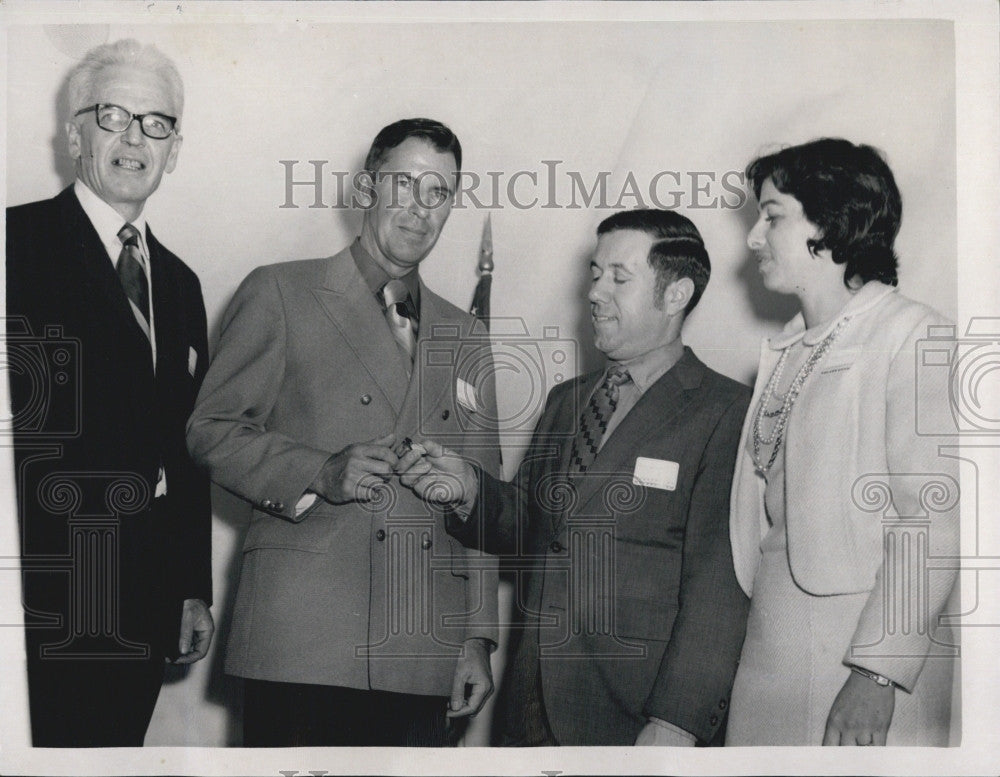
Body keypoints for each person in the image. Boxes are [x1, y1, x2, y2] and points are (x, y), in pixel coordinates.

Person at [186, 118, 501, 747]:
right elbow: (210, 430)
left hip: (422, 645)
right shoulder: (280, 291)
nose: (420, 208)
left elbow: (483, 498)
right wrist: (318, 471)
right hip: (307, 636)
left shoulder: (466, 335)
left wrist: (476, 637)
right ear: (366, 188)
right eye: (404, 184)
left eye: (439, 192)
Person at [397, 209, 751, 746]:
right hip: (529, 703)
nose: (594, 292)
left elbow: (718, 588)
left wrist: (676, 720)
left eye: (619, 277)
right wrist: (470, 489)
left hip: (636, 719)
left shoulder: (726, 412)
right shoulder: (568, 401)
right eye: (594, 273)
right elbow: (529, 529)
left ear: (676, 294)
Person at [6, 39, 214, 747]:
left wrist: (191, 586)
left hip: (144, 600)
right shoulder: (16, 244)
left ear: (175, 148)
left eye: (156, 123)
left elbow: (187, 449)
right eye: (113, 115)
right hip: (38, 602)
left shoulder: (182, 285)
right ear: (74, 135)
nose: (134, 138)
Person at [726, 138, 960, 746]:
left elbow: (934, 520)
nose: (754, 238)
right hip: (771, 657)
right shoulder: (788, 345)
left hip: (857, 672)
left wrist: (877, 673)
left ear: (830, 224)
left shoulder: (913, 333)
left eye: (772, 215)